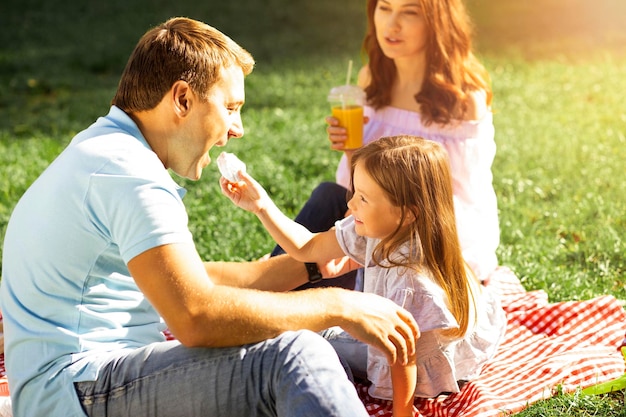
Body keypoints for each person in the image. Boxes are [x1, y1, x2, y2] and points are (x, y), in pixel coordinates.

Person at [0, 17, 420, 417]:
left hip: (73, 384)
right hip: (77, 391)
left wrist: (308, 266)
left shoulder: (106, 150)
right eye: (232, 107)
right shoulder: (129, 175)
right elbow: (195, 316)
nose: (238, 128)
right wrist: (336, 301)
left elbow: (190, 278)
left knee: (317, 336)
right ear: (182, 99)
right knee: (296, 354)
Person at [221, 135, 507, 417]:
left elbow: (402, 356)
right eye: (355, 192)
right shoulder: (381, 227)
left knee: (300, 338)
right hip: (406, 339)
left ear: (407, 214)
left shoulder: (410, 281)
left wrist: (403, 412)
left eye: (363, 198)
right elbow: (307, 246)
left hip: (413, 359)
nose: (352, 204)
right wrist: (261, 205)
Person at [272, 0, 500, 289]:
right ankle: (262, 289)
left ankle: (261, 293)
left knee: (307, 267)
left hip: (428, 241)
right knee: (329, 196)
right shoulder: (371, 80)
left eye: (410, 12)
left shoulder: (463, 99)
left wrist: (370, 215)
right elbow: (356, 186)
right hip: (369, 217)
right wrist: (351, 149)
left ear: (437, 21)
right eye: (385, 8)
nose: (392, 25)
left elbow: (448, 202)